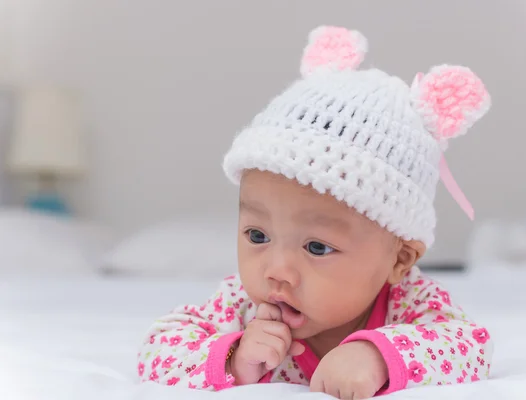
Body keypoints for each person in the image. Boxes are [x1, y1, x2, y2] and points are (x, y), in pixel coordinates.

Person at [137, 25, 493, 399]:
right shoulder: (240, 305)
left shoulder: (410, 303)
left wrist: (377, 357)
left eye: (317, 247)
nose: (276, 271)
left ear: (399, 259)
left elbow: (469, 346)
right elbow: (158, 348)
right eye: (257, 236)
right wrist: (235, 357)